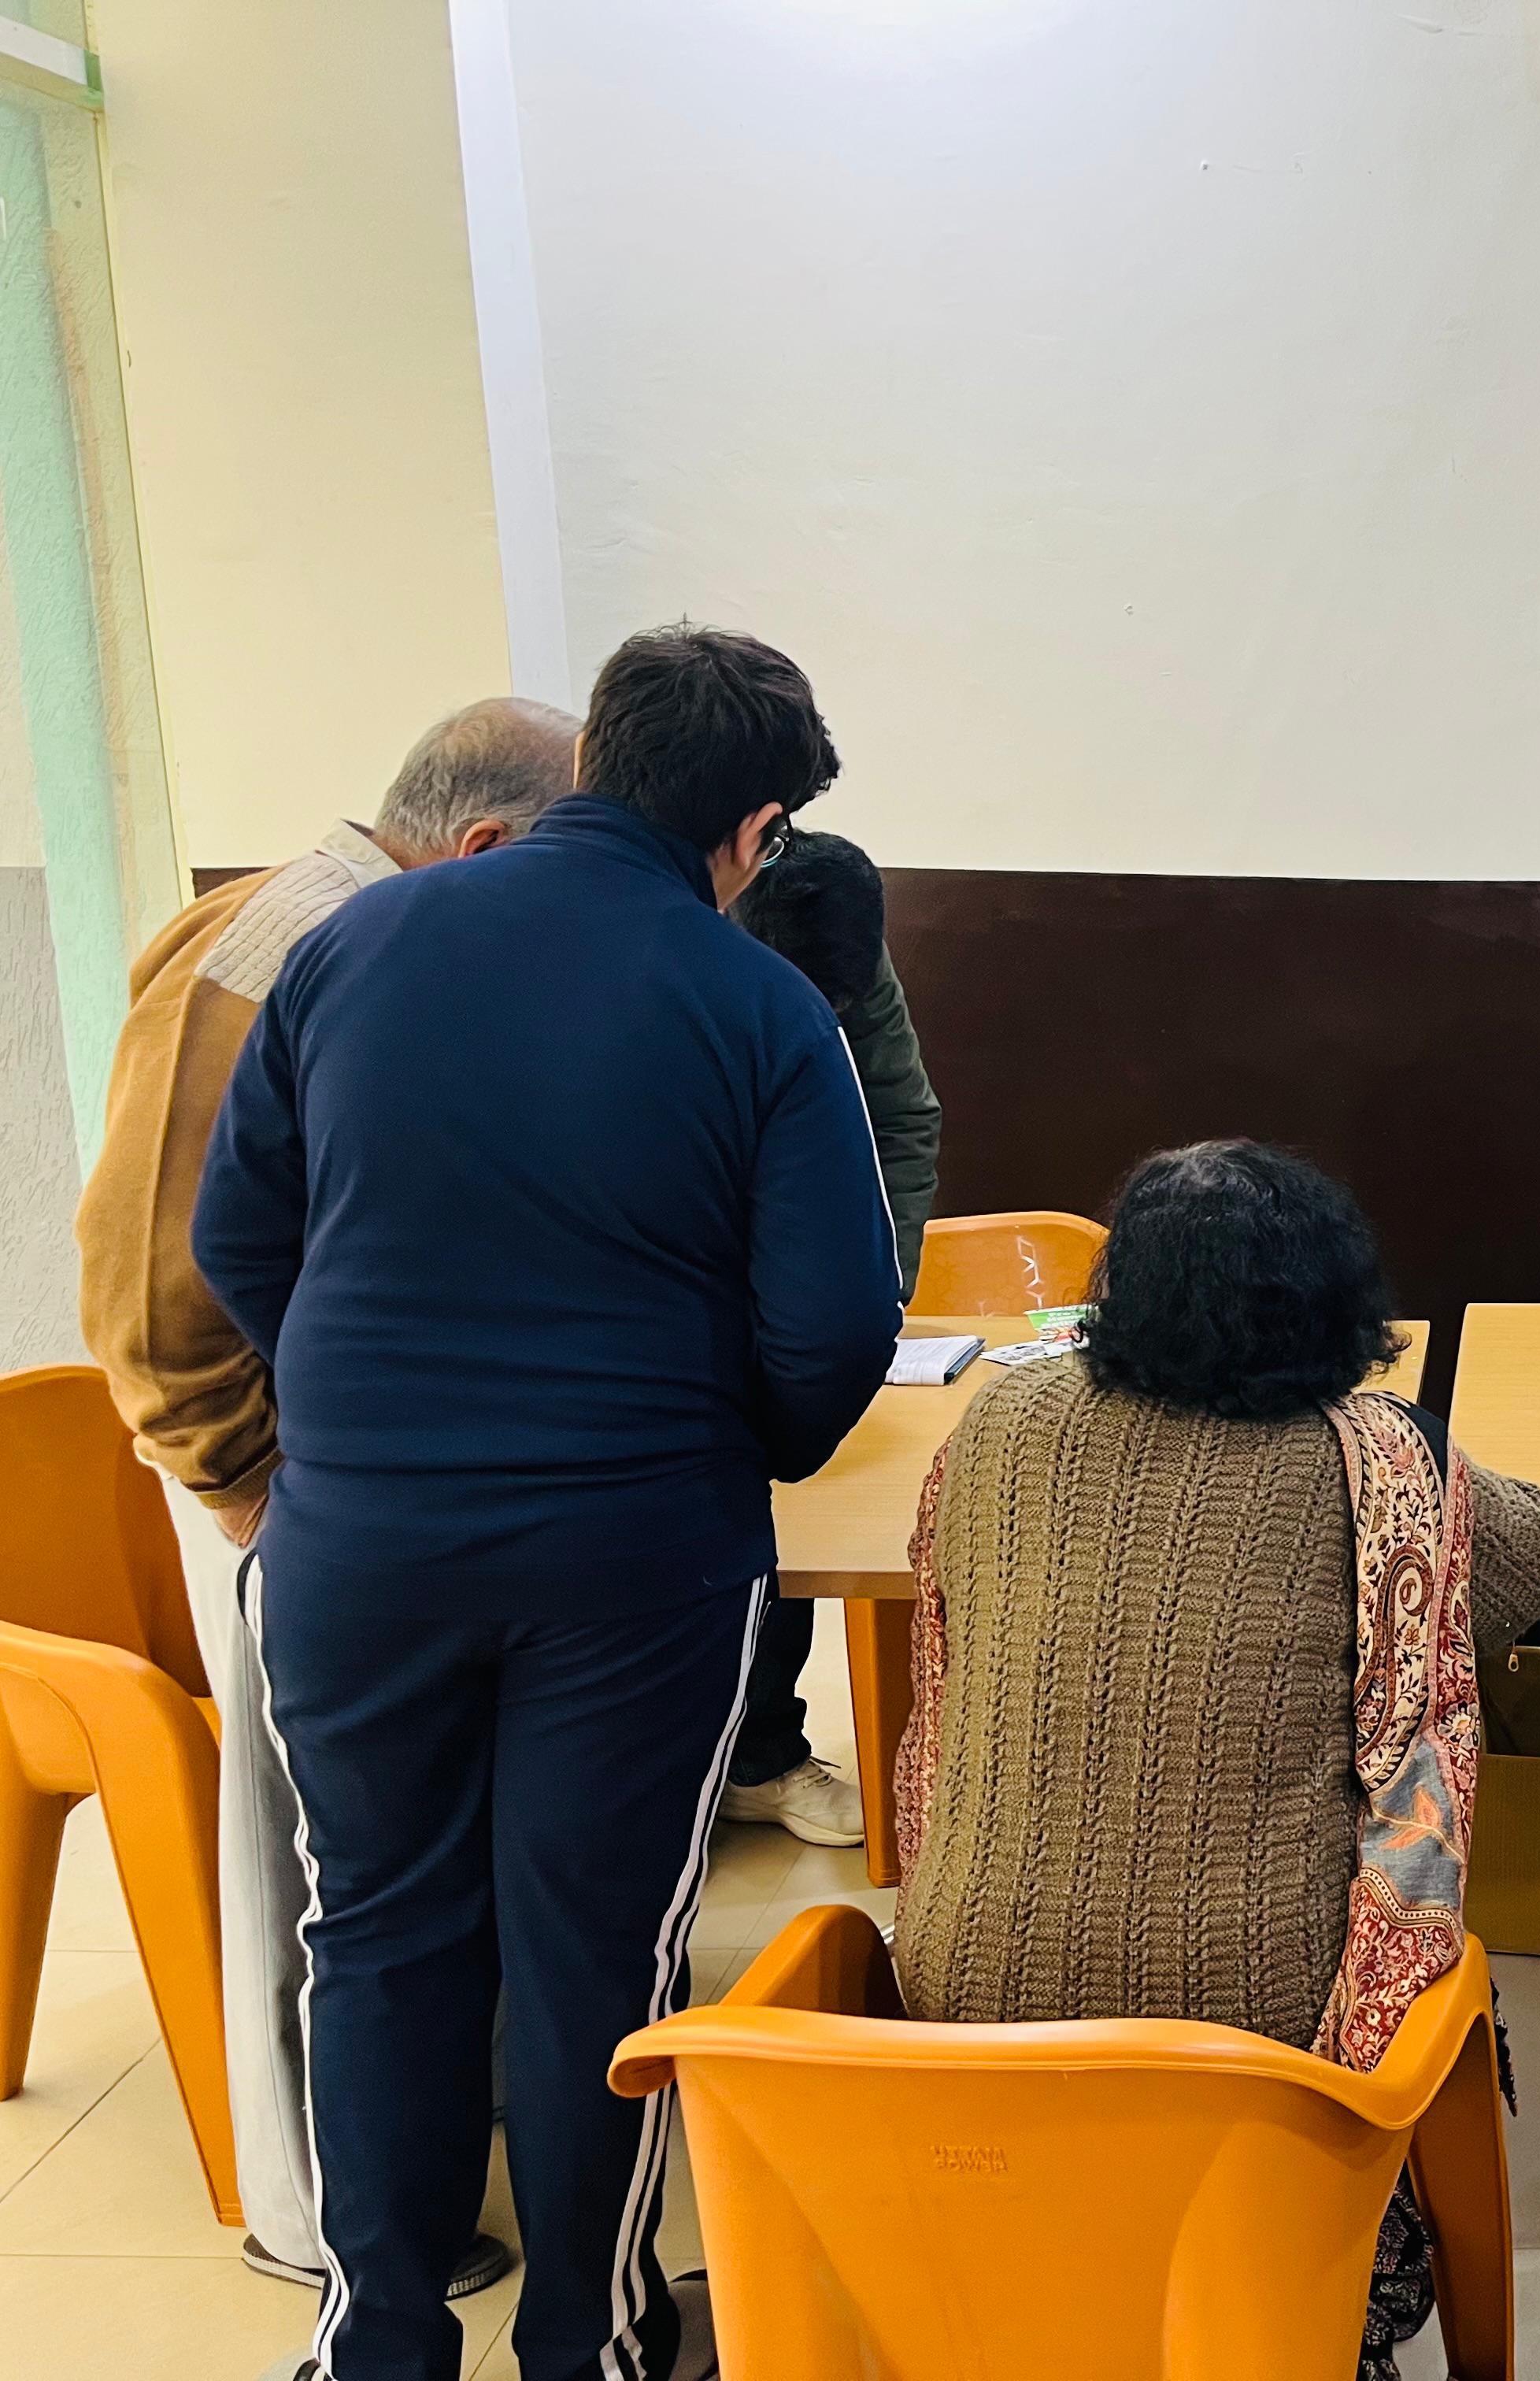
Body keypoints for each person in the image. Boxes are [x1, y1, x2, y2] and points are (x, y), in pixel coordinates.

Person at [194, 626, 905, 2381]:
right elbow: (831, 1334)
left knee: (379, 1930)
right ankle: (587, 2344)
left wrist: (363, 1418)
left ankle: (377, 2340)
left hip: (358, 1549)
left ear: (596, 757)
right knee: (596, 1951)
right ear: (752, 830)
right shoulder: (763, 1008)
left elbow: (238, 1238)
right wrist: (719, 1437)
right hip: (635, 1560)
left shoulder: (353, 943)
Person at [889, 1139, 1540, 2381]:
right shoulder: (1378, 1457)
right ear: (1338, 1300)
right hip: (1252, 2026)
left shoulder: (998, 1424)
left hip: (962, 1992)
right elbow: (1533, 1564)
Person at [73, 698, 579, 2302]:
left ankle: (419, 2141)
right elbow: (149, 1281)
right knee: (315, 1871)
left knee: (388, 1852)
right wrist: (250, 1489)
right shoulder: (278, 948)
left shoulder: (382, 935)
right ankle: (319, 2216)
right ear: (484, 846)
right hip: (285, 1487)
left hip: (368, 1482)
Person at [720, 825, 945, 1848]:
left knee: (799, 1489)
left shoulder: (836, 931)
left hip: (793, 1263)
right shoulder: (668, 955)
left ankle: (762, 1757)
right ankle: (684, 1765)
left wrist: (877, 1286)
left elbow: (902, 1117)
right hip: (659, 1277)